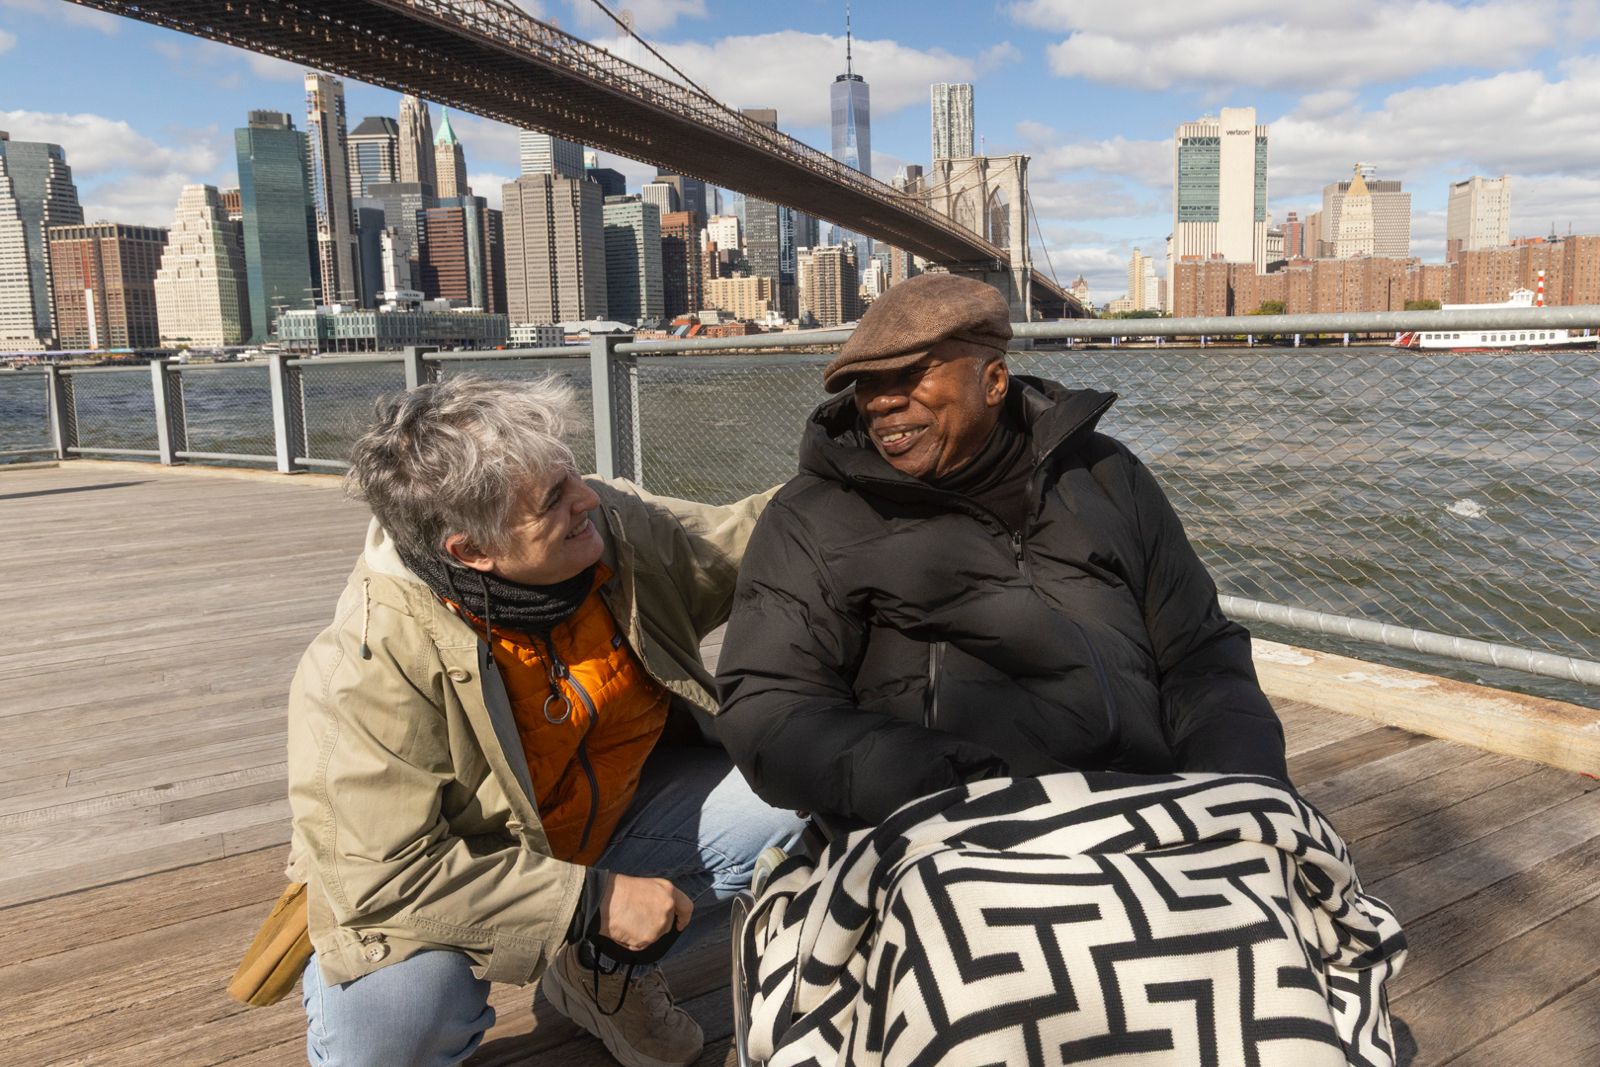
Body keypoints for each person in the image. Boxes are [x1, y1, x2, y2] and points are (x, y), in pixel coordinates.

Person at [286, 375, 804, 1067]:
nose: (587, 498)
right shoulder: (366, 662)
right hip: (448, 881)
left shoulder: (609, 525)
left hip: (609, 820)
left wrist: (846, 470)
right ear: (472, 550)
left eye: (571, 475)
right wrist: (588, 902)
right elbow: (386, 880)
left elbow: (738, 544)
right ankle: (587, 937)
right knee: (394, 1027)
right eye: (554, 500)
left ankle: (600, 973)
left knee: (802, 787)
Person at [715, 272, 1288, 827]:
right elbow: (770, 708)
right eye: (867, 383)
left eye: (912, 373)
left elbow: (1199, 653)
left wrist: (1240, 787)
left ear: (993, 380)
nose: (881, 403)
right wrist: (953, 793)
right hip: (942, 831)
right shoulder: (811, 516)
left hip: (1149, 812)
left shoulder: (1108, 475)